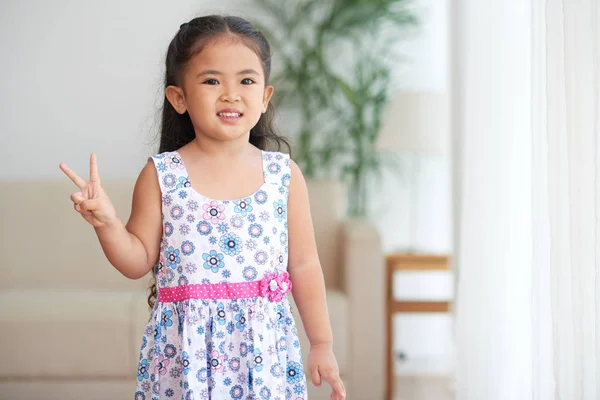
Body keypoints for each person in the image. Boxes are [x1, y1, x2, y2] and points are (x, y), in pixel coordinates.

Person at [59, 15, 345, 400]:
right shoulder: (162, 175)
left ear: (265, 97)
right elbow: (136, 261)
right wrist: (107, 223)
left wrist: (322, 343)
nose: (230, 94)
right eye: (212, 81)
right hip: (184, 358)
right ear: (179, 97)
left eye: (246, 81)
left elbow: (305, 265)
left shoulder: (283, 175)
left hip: (266, 358)